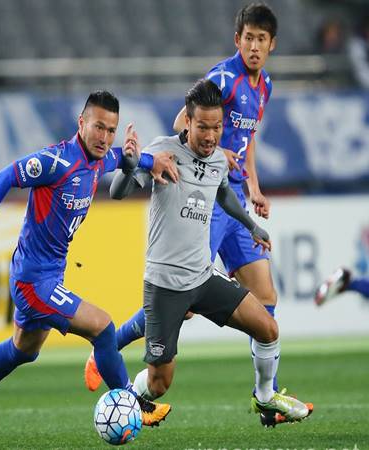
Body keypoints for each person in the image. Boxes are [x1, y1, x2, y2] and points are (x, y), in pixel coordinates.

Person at [83, 3, 305, 425]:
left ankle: (266, 397)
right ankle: (111, 355)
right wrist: (150, 161)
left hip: (224, 206)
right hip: (187, 230)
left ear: (272, 44)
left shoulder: (263, 89)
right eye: (249, 37)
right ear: (238, 38)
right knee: (170, 343)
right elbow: (177, 131)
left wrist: (253, 196)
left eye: (263, 39)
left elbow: (242, 149)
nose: (255, 46)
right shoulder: (218, 84)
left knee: (267, 307)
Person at [0, 91, 175, 445]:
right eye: (98, 127)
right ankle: (134, 402)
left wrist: (150, 161)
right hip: (33, 281)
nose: (105, 136)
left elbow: (122, 159)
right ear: (81, 124)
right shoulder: (56, 161)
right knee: (102, 327)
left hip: (46, 275)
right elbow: (5, 177)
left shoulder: (98, 159)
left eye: (111, 129)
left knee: (25, 349)